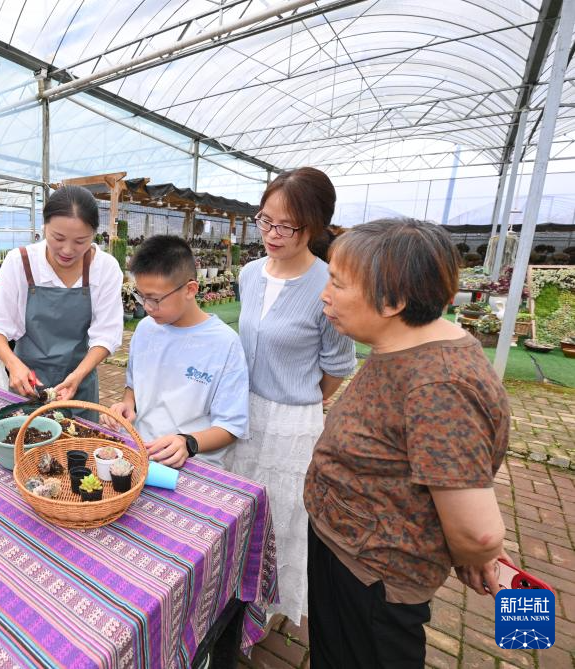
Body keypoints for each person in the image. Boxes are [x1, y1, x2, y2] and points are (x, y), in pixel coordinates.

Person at [306, 218, 510, 668]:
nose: (324, 294)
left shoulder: (441, 387)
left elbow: (479, 532)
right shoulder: (401, 346)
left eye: (337, 283)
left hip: (374, 578)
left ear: (394, 301)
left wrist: (475, 551)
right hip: (348, 551)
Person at [226, 167, 356, 625]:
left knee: (280, 517)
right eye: (265, 221)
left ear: (314, 227)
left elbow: (337, 366)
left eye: (287, 226)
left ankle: (264, 609)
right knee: (236, 509)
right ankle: (229, 596)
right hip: (240, 410)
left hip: (291, 423)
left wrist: (303, 402)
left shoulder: (328, 287)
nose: (272, 234)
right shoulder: (249, 273)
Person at [101, 236, 248, 469]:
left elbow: (231, 426)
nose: (147, 307)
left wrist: (187, 442)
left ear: (190, 289)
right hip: (140, 450)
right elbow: (133, 385)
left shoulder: (224, 343)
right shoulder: (146, 329)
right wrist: (127, 404)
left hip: (193, 462)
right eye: (141, 296)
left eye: (155, 299)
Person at [0, 185, 123, 418]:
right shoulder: (21, 261)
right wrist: (12, 364)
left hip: (79, 385)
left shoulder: (104, 267)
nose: (67, 250)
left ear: (94, 234)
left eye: (80, 241)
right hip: (27, 384)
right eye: (58, 238)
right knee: (25, 435)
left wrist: (78, 375)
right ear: (44, 226)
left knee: (79, 438)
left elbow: (107, 334)